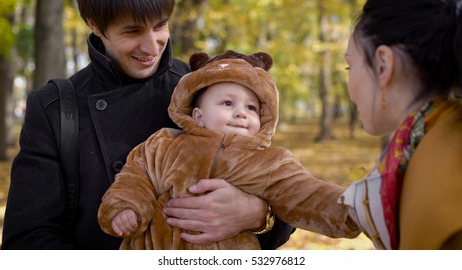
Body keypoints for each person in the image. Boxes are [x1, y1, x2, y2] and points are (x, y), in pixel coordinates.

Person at [1, 0, 294, 250]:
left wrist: (257, 214)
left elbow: (280, 187)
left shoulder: (205, 89)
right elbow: (26, 243)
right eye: (132, 31)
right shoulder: (54, 108)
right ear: (95, 24)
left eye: (160, 26)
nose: (152, 47)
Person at [97, 50, 360, 249]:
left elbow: (307, 195)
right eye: (227, 103)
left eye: (251, 108)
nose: (241, 114)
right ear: (198, 116)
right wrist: (125, 207)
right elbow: (135, 178)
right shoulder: (165, 145)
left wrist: (356, 209)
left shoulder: (270, 162)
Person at [339, 0, 462, 250]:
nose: (349, 90)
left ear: (383, 65)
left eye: (350, 67)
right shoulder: (430, 141)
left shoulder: (440, 183)